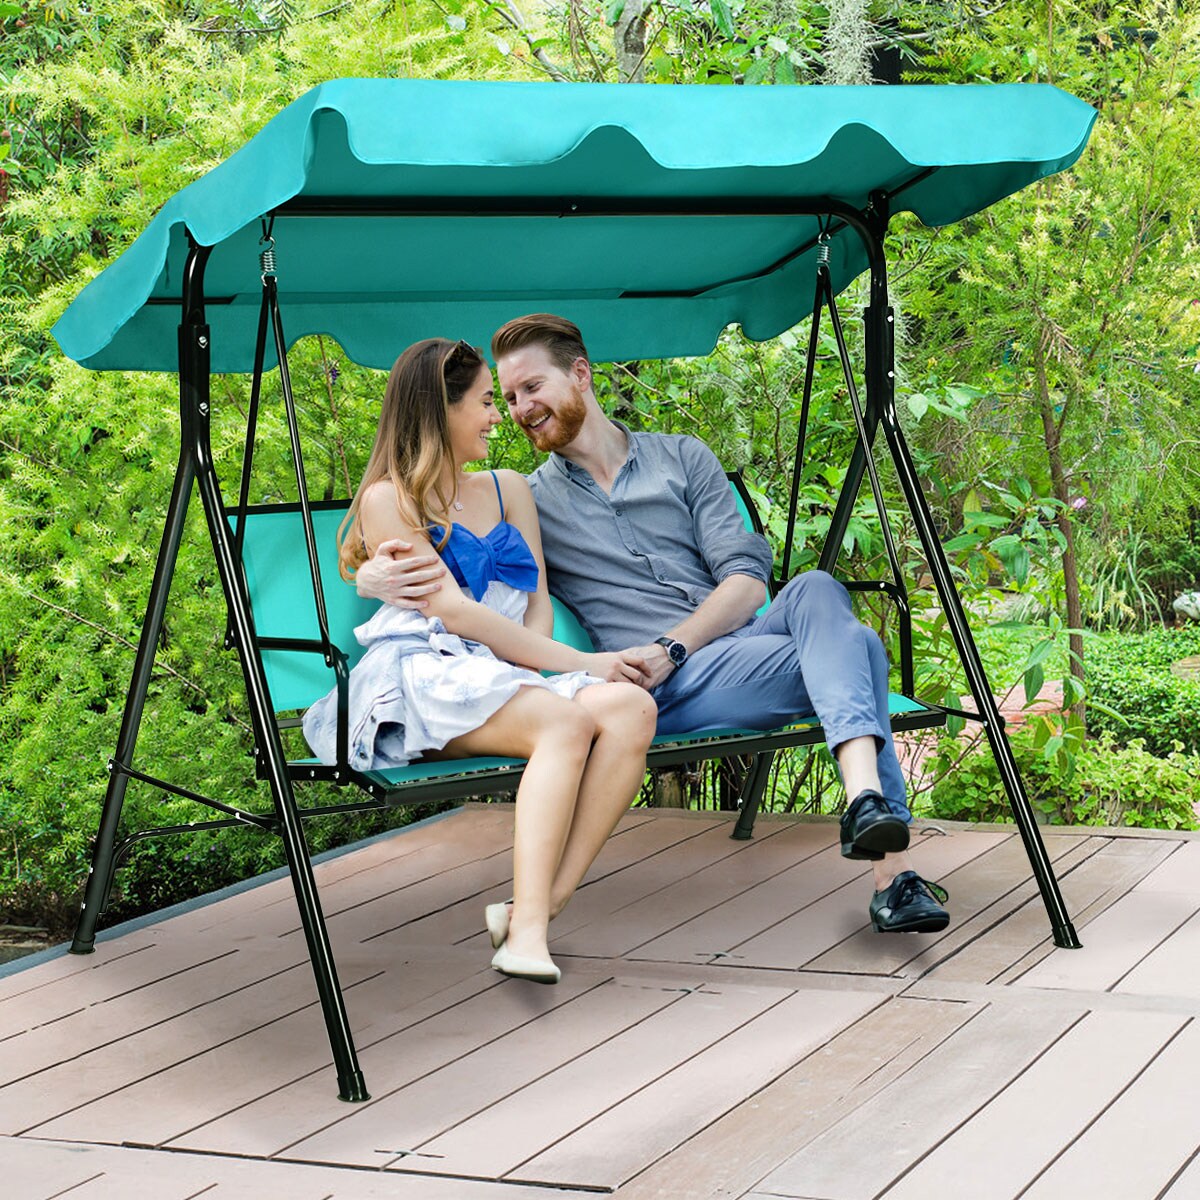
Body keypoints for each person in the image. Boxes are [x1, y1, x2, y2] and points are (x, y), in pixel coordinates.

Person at [355, 317, 950, 934]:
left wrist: (677, 644)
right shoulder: (531, 498)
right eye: (505, 398)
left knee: (820, 590)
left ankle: (862, 802)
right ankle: (892, 873)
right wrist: (370, 576)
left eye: (532, 388)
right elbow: (434, 545)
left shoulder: (682, 457)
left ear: (580, 375)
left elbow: (747, 583)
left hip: (727, 648)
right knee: (862, 648)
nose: (519, 409)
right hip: (660, 685)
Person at [303, 338, 657, 984]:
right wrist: (584, 663)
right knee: (563, 723)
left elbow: (537, 606)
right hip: (427, 674)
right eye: (487, 402)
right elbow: (454, 615)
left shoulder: (510, 489)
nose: (501, 416)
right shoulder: (390, 501)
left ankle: (540, 904)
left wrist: (545, 670)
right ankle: (527, 937)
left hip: (505, 668)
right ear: (442, 413)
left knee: (633, 708)